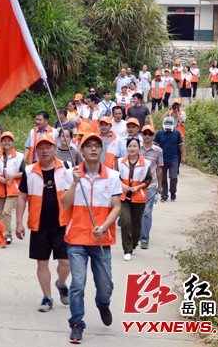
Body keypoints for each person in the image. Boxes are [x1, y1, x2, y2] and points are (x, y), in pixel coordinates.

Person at [61, 133, 122, 344]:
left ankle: (103, 303)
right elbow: (66, 204)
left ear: (102, 149)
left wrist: (104, 227)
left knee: (106, 285)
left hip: (100, 240)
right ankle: (77, 323)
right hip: (77, 238)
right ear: (82, 151)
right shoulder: (71, 174)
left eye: (97, 145)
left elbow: (117, 207)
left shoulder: (113, 176)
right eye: (89, 146)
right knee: (78, 283)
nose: (93, 149)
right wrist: (74, 184)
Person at [15, 134, 72, 313]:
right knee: (42, 263)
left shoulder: (67, 168)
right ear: (36, 150)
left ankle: (61, 283)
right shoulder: (29, 170)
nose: (45, 150)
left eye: (48, 147)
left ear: (55, 148)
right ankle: (47, 297)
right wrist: (18, 223)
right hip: (39, 225)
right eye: (41, 147)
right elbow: (22, 198)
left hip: (62, 223)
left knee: (66, 262)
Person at [117, 136, 152, 261]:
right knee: (125, 222)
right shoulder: (120, 162)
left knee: (137, 225)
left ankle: (134, 243)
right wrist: (122, 185)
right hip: (123, 196)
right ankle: (127, 249)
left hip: (138, 197)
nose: (132, 149)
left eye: (134, 146)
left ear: (139, 148)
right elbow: (115, 177)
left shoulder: (145, 163)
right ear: (126, 148)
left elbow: (148, 179)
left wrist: (138, 187)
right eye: (130, 146)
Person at [0, 131, 26, 245]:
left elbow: (24, 172)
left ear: (13, 142)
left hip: (13, 188)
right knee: (1, 212)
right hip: (0, 186)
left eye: (9, 140)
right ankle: (5, 232)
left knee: (6, 211)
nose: (6, 142)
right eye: (4, 140)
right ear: (1, 142)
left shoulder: (19, 156)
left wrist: (14, 176)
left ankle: (6, 235)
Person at [138, 125, 164, 250]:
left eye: (150, 134)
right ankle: (138, 234)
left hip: (151, 185)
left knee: (147, 212)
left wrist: (160, 185)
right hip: (137, 186)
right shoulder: (136, 148)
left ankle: (144, 239)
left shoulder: (158, 151)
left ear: (153, 135)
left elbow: (159, 168)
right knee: (138, 211)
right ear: (142, 134)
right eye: (145, 133)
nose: (147, 136)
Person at [154, 117, 186, 202]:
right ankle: (164, 195)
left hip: (174, 158)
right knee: (163, 178)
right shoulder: (159, 133)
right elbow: (154, 144)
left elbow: (181, 145)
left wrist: (183, 156)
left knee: (173, 177)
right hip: (162, 159)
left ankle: (173, 192)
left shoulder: (176, 133)